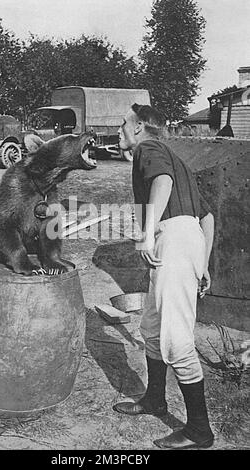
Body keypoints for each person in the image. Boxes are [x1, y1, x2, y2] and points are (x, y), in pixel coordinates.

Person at [113, 103, 215, 450]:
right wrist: (203, 263)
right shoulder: (175, 155)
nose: (120, 130)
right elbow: (207, 217)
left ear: (140, 126)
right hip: (185, 239)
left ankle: (200, 431)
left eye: (124, 124)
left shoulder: (148, 148)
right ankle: (155, 399)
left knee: (175, 338)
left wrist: (146, 231)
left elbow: (163, 181)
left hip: (171, 238)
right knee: (151, 327)